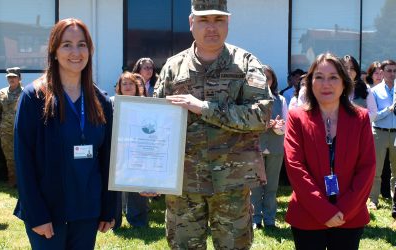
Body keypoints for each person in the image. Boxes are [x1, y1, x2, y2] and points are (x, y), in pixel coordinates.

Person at [154, 0, 272, 248]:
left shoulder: (247, 64)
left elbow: (261, 115)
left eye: (218, 20)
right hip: (184, 185)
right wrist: (150, 175)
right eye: (203, 20)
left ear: (228, 22)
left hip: (232, 183)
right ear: (191, 22)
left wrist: (204, 108)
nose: (211, 27)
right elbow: (157, 125)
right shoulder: (173, 68)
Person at [14, 18, 116, 249]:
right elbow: (24, 161)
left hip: (87, 212)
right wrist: (36, 214)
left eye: (82, 44)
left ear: (89, 50)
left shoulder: (100, 100)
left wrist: (108, 208)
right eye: (67, 44)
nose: (75, 52)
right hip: (48, 213)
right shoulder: (34, 98)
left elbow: (107, 158)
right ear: (54, 50)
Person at [284, 53, 375, 250]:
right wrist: (324, 211)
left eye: (333, 77)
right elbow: (295, 167)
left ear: (344, 82)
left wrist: (344, 211)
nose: (326, 84)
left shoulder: (361, 118)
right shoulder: (296, 118)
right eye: (319, 77)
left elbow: (367, 167)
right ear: (310, 82)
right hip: (307, 214)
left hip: (348, 216)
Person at [111, 72, 149, 230]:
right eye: (124, 83)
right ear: (119, 87)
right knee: (115, 188)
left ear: (136, 86)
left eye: (130, 83)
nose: (127, 86)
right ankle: (114, 221)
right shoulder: (111, 102)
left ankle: (138, 220)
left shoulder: (146, 104)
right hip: (117, 151)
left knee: (137, 185)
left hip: (138, 150)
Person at [251, 65, 287, 229]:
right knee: (255, 188)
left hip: (275, 148)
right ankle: (255, 220)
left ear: (273, 81)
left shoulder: (281, 100)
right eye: (262, 78)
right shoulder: (250, 99)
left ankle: (270, 219)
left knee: (272, 187)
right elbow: (246, 124)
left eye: (269, 78)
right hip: (255, 148)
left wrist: (279, 126)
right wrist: (265, 125)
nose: (265, 81)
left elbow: (286, 127)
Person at [369, 59, 396, 210]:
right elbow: (373, 116)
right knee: (376, 169)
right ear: (382, 72)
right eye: (389, 71)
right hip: (379, 132)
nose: (392, 74)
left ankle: (395, 201)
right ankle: (373, 200)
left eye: (394, 71)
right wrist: (389, 110)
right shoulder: (374, 91)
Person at [0, 67, 23, 187]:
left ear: (19, 78)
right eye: (9, 77)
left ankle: (24, 180)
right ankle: (12, 180)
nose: (11, 79)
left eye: (14, 77)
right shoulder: (1, 93)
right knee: (9, 157)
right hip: (5, 131)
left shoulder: (25, 93)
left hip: (22, 130)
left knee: (23, 155)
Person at [341, 55, 377, 122]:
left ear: (356, 71)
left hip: (359, 128)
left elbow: (373, 113)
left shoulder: (365, 89)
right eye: (345, 68)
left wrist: (356, 120)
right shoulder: (335, 89)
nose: (348, 71)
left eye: (352, 68)